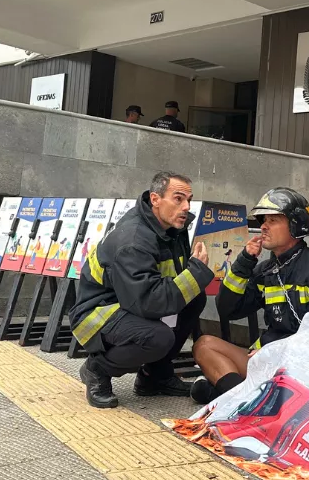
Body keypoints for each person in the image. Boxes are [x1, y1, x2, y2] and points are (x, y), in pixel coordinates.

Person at [189, 188, 309, 404]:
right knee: (203, 345)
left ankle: (233, 397)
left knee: (205, 390)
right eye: (263, 220)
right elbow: (228, 309)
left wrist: (277, 353)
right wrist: (244, 262)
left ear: (295, 225)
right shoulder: (265, 269)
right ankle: (246, 402)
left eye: (273, 220)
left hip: (299, 369)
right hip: (264, 360)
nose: (263, 226)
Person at [71, 171, 215, 409]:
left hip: (129, 302)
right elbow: (149, 302)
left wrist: (193, 279)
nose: (186, 206)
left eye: (189, 199)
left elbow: (167, 286)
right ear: (155, 199)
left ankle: (155, 377)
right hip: (97, 313)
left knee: (194, 298)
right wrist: (197, 273)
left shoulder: (172, 228)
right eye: (178, 199)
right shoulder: (134, 239)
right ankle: (97, 369)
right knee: (158, 337)